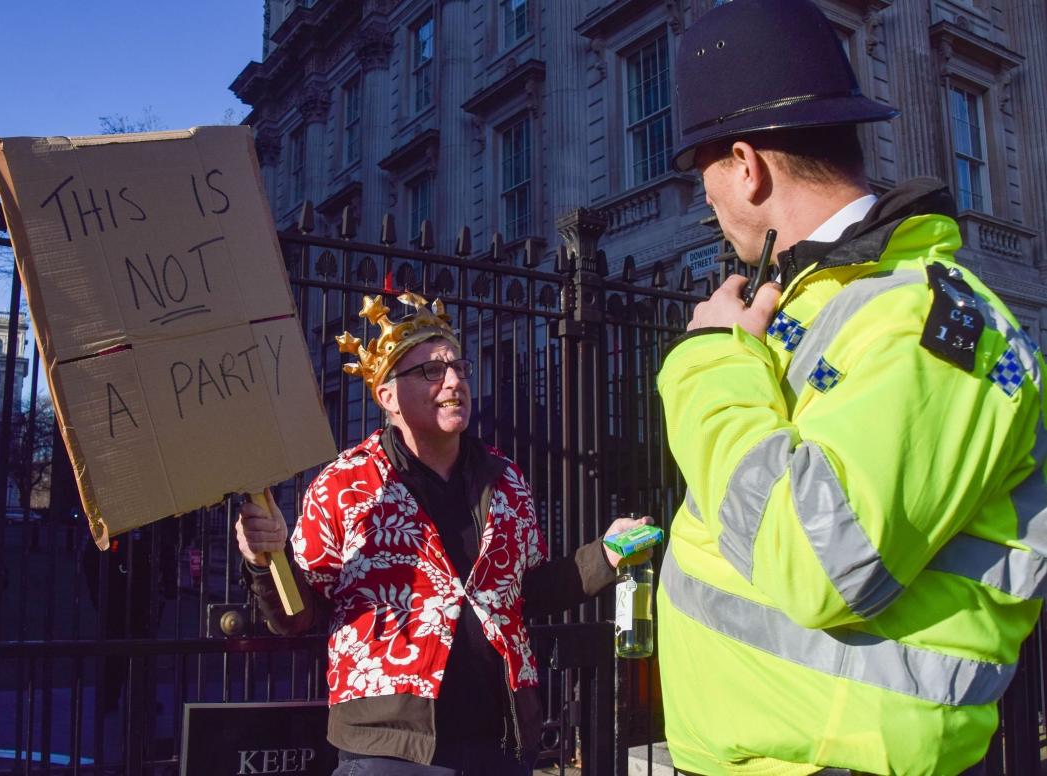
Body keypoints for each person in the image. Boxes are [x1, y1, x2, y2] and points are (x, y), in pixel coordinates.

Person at [654, 1, 1047, 774]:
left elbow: (821, 565)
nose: (705, 201)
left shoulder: (932, 319)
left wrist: (707, 362)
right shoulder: (826, 303)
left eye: (701, 173)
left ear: (745, 165)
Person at [236, 292, 648, 776]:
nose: (453, 381)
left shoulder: (507, 479)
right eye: (431, 371)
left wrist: (607, 554)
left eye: (457, 367)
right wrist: (267, 562)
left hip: (502, 738)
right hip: (389, 746)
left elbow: (526, 591)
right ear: (386, 395)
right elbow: (297, 615)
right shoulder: (344, 484)